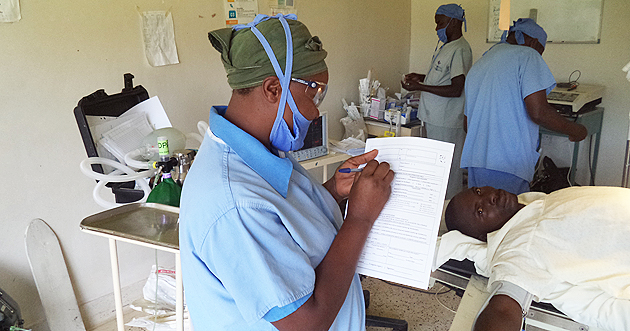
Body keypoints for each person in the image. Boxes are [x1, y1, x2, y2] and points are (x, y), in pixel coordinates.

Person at [178, 14, 395, 331]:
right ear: (272, 88)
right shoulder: (234, 203)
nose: (316, 110)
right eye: (315, 93)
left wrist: (334, 190)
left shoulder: (261, 149)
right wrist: (360, 218)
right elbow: (306, 323)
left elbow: (290, 227)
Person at [443, 186, 630, 331]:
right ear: (483, 237)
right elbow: (503, 309)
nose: (489, 196)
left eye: (478, 191)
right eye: (480, 211)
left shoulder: (526, 204)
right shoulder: (518, 248)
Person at [460, 18, 588, 195]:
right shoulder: (528, 55)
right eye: (541, 51)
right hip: (508, 163)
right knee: (510, 217)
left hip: (476, 161)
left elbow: (467, 124)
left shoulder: (481, 62)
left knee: (485, 217)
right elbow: (539, 112)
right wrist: (575, 130)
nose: (540, 56)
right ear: (534, 42)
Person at [402, 3, 472, 200]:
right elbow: (442, 79)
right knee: (434, 171)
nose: (437, 29)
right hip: (433, 120)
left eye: (440, 23)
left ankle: (449, 213)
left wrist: (420, 87)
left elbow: (456, 88)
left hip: (446, 122)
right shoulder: (447, 47)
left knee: (447, 173)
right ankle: (435, 210)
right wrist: (421, 77)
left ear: (454, 21)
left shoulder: (460, 49)